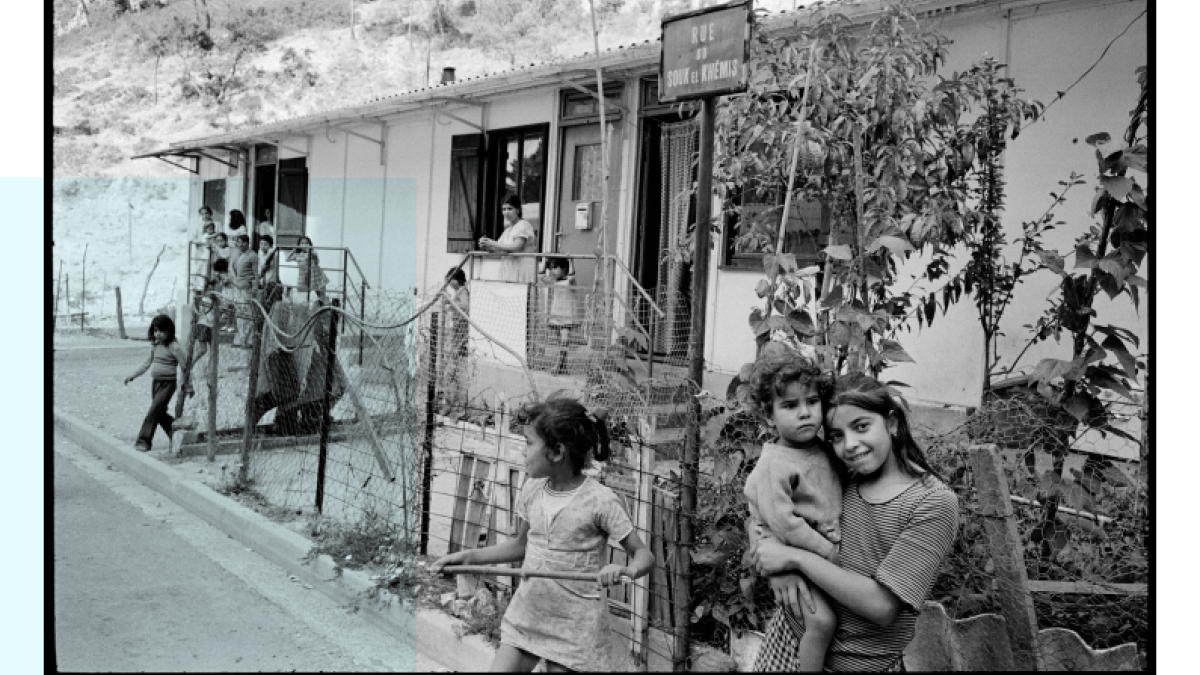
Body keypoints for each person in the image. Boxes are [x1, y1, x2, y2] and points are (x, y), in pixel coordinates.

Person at [750, 373, 960, 672]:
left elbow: (882, 607)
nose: (850, 445)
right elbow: (763, 512)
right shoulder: (840, 475)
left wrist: (794, 559)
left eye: (861, 427)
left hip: (859, 666)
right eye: (836, 435)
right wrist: (775, 568)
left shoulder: (932, 503)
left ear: (892, 423)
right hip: (788, 640)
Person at [430, 397, 655, 672]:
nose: (522, 451)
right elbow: (520, 545)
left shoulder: (601, 501)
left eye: (528, 443)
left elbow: (643, 554)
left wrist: (626, 570)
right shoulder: (532, 490)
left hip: (575, 629)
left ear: (557, 451)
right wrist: (467, 557)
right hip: (529, 615)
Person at [742, 352, 844, 671]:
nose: (805, 414)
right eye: (790, 406)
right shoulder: (776, 464)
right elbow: (785, 525)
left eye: (812, 402)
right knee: (822, 622)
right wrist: (827, 550)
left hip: (816, 553)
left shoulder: (825, 449)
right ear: (769, 416)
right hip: (797, 558)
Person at [124, 315, 188, 452]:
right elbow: (146, 363)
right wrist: (132, 375)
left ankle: (144, 441)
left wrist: (189, 385)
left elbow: (185, 367)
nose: (157, 334)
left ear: (169, 331)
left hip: (168, 384)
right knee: (159, 412)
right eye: (155, 330)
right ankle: (177, 433)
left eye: (161, 331)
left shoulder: (174, 347)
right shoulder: (155, 346)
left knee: (153, 411)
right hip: (156, 383)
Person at [479, 195, 538, 283]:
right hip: (510, 270)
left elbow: (516, 247)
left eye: (510, 209)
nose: (506, 212)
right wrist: (486, 245)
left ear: (518, 210)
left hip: (522, 270)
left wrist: (492, 243)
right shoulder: (508, 230)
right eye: (504, 209)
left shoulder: (523, 225)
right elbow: (500, 249)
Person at [438, 266, 471, 419]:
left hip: (461, 332)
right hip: (456, 331)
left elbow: (465, 306)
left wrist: (451, 302)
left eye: (451, 280)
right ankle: (448, 404)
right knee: (450, 369)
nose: (450, 283)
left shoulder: (463, 291)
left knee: (454, 369)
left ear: (457, 280)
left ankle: (454, 405)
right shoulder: (458, 292)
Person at [539, 257, 578, 375]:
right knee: (559, 343)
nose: (552, 271)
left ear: (564, 268)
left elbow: (571, 277)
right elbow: (541, 277)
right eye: (551, 269)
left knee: (564, 341)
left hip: (567, 316)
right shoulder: (553, 281)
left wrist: (571, 261)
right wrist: (544, 262)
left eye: (555, 268)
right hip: (556, 315)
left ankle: (557, 365)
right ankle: (563, 366)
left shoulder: (570, 281)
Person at [230, 233, 258, 347]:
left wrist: (255, 289)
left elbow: (256, 274)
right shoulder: (239, 255)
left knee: (248, 315)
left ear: (247, 243)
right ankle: (241, 339)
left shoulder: (252, 255)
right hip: (238, 288)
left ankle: (249, 340)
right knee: (239, 314)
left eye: (241, 242)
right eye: (237, 242)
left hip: (247, 289)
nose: (238, 244)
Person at [287, 235, 329, 303]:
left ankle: (328, 306)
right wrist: (293, 250)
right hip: (306, 276)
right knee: (309, 295)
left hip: (316, 275)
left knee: (321, 295)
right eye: (302, 243)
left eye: (306, 243)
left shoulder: (312, 252)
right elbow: (287, 259)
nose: (304, 245)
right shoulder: (298, 255)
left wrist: (309, 250)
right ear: (299, 245)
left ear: (310, 244)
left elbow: (317, 260)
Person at [257, 234, 283, 311]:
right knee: (264, 303)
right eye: (261, 244)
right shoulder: (259, 253)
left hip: (272, 281)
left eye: (265, 244)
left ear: (270, 245)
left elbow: (273, 253)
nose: (263, 246)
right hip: (263, 282)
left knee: (274, 304)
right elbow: (260, 268)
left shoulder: (273, 253)